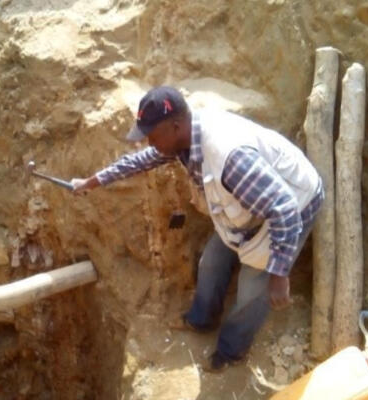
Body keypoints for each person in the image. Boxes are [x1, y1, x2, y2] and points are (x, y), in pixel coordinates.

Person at [71, 85, 324, 372]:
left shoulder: (230, 159)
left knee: (253, 289)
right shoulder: (184, 136)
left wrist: (279, 274)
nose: (148, 144)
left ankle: (231, 351)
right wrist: (93, 181)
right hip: (249, 204)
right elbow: (141, 161)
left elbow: (286, 211)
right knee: (211, 263)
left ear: (175, 126)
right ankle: (202, 319)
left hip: (294, 203)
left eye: (152, 136)